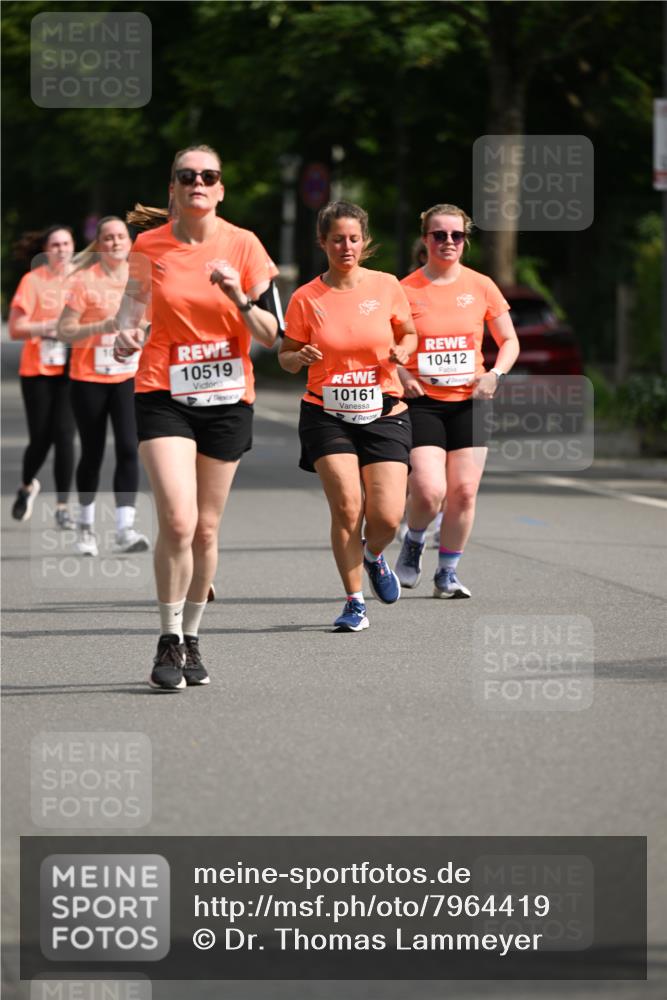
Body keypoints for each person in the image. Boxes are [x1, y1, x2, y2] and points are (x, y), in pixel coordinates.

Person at [112, 144, 281, 690]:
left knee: (206, 530)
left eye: (209, 175)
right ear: (173, 189)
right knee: (178, 521)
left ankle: (192, 637)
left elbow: (272, 335)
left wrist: (236, 295)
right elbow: (131, 312)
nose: (198, 183)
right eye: (188, 176)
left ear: (221, 189)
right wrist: (124, 335)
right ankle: (165, 638)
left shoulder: (244, 245)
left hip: (228, 399)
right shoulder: (148, 245)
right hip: (163, 390)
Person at [279, 200, 417, 633]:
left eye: (354, 238)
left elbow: (409, 333)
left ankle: (373, 555)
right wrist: (297, 356)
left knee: (388, 517)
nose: (346, 246)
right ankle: (355, 601)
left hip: (383, 409)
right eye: (337, 239)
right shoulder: (306, 298)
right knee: (347, 507)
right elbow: (284, 356)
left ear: (365, 241)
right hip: (326, 413)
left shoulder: (386, 285)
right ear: (322, 242)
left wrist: (403, 351)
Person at [395, 203, 520, 597]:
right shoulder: (404, 289)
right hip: (423, 402)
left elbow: (509, 341)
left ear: (465, 240)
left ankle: (447, 573)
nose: (448, 242)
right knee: (430, 490)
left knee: (464, 492)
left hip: (471, 400)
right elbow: (382, 344)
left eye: (456, 235)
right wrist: (402, 374)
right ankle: (414, 540)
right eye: (439, 235)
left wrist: (494, 374)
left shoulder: (481, 285)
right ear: (425, 238)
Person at [58, 217, 149, 557]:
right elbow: (65, 330)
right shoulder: (84, 281)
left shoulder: (139, 281)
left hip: (127, 376)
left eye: (120, 237)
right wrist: (106, 325)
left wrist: (139, 334)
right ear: (99, 245)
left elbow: (150, 324)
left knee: (129, 447)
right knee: (93, 452)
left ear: (130, 243)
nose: (114, 243)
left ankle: (125, 529)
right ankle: (85, 527)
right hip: (89, 379)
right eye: (107, 238)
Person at [9, 226, 76, 527]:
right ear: (46, 250)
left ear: (73, 247)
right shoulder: (33, 281)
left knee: (64, 436)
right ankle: (27, 486)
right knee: (41, 438)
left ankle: (63, 507)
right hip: (37, 370)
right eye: (55, 244)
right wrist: (48, 327)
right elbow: (15, 328)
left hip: (72, 369)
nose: (61, 249)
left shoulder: (83, 279)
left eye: (66, 243)